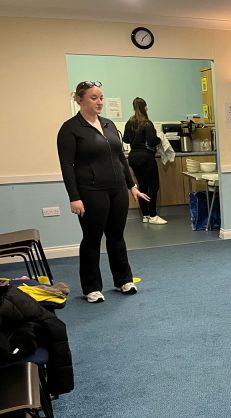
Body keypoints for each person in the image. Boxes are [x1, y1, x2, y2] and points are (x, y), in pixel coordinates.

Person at [57, 81, 149, 303]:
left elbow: (120, 158)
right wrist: (74, 197)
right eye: (93, 98)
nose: (99, 102)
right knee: (92, 238)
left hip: (117, 189)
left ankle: (123, 280)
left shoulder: (108, 125)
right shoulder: (70, 128)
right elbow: (66, 165)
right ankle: (91, 287)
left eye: (101, 98)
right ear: (79, 100)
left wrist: (132, 186)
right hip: (90, 191)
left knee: (116, 236)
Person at [122, 97, 167, 225]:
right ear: (145, 107)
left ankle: (145, 215)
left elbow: (125, 139)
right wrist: (159, 139)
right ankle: (153, 215)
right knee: (153, 185)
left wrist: (135, 139)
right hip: (146, 157)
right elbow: (152, 141)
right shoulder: (147, 123)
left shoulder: (129, 122)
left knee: (142, 186)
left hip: (133, 157)